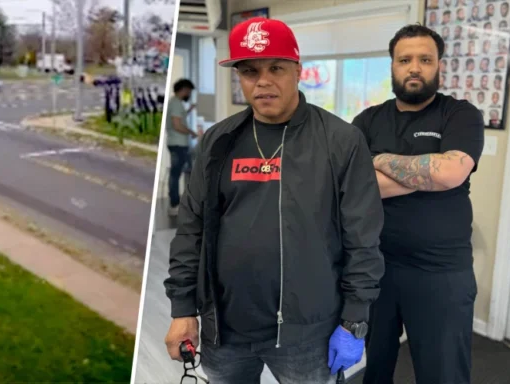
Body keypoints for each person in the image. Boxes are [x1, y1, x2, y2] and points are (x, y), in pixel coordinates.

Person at [163, 16, 385, 384]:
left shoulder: (341, 142)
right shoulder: (219, 142)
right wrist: (183, 308)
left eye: (276, 68)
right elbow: (190, 230)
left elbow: (363, 239)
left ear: (298, 70)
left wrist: (354, 320)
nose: (262, 81)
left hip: (308, 336)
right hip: (225, 330)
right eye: (249, 70)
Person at [350, 24, 485, 384]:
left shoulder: (460, 114)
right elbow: (353, 186)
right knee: (374, 367)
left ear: (439, 65)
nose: (414, 67)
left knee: (443, 372)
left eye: (425, 59)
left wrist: (377, 160)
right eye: (405, 59)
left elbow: (450, 173)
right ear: (392, 66)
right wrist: (427, 173)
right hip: (375, 266)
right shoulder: (367, 120)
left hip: (441, 272)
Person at [165, 78, 199, 216]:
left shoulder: (175, 103)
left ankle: (181, 203)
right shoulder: (176, 104)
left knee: (184, 172)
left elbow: (180, 118)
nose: (189, 94)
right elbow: (177, 125)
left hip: (178, 144)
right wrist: (192, 133)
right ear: (184, 90)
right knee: (176, 175)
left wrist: (190, 109)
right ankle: (174, 205)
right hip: (178, 144)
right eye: (189, 91)